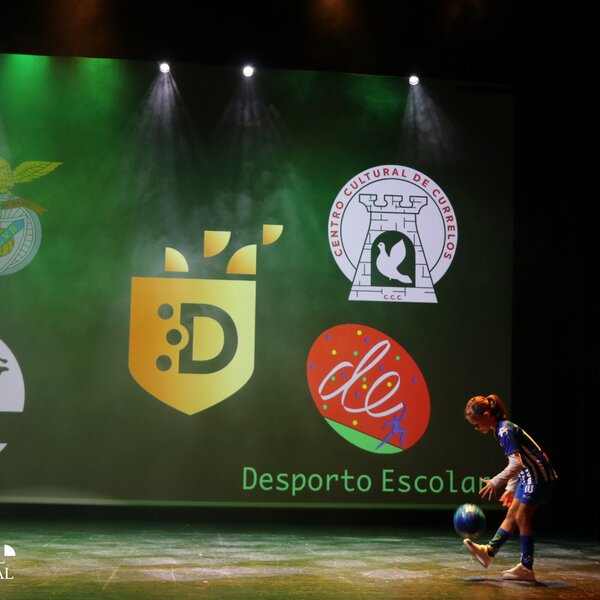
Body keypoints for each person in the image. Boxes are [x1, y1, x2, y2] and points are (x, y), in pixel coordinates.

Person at [462, 394, 557, 581]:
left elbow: (516, 463)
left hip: (537, 474)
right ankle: (488, 553)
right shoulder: (500, 429)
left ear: (486, 415)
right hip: (527, 474)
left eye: (476, 423)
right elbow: (517, 462)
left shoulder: (504, 430)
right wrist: (511, 488)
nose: (476, 427)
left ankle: (527, 568)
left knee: (521, 517)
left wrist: (495, 482)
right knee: (512, 513)